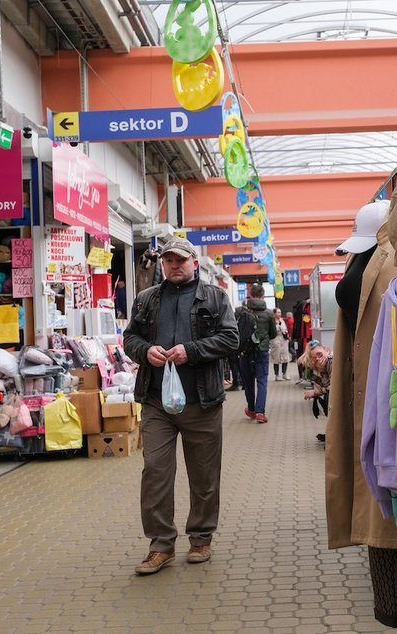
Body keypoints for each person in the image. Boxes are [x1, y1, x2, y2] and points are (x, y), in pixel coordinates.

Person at [122, 237, 239, 575]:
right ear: (162, 265)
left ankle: (201, 538)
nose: (174, 265)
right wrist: (145, 351)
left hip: (201, 400)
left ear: (194, 263)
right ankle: (161, 545)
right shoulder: (146, 300)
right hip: (157, 401)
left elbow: (231, 338)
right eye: (169, 261)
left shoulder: (215, 296)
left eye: (181, 260)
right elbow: (130, 339)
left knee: (203, 475)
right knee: (155, 472)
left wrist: (193, 350)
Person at [238, 283, 276, 423]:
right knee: (261, 381)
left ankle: (251, 409)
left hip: (245, 352)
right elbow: (273, 334)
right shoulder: (269, 313)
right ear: (263, 295)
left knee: (248, 383)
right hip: (262, 351)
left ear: (250, 295)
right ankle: (260, 412)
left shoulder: (242, 312)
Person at [270, 309, 291, 381]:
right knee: (276, 358)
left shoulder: (282, 320)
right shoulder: (272, 321)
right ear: (274, 313)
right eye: (278, 312)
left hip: (284, 341)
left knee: (285, 357)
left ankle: (284, 373)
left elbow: (285, 329)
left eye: (280, 312)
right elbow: (272, 330)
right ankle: (277, 375)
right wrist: (278, 326)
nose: (280, 314)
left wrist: (287, 335)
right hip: (276, 340)